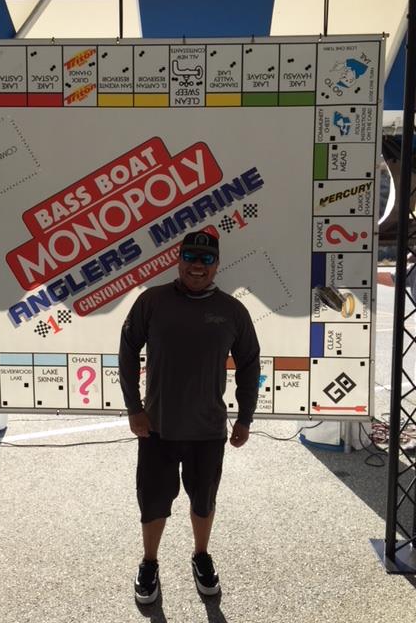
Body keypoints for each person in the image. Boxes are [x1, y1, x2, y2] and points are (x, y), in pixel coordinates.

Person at [118, 230, 260, 605]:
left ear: (217, 265)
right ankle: (149, 562)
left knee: (203, 501)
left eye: (206, 259)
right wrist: (134, 408)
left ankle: (201, 555)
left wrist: (245, 417)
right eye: (191, 258)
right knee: (153, 502)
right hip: (157, 428)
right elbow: (128, 352)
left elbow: (249, 364)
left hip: (208, 430)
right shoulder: (151, 301)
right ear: (178, 261)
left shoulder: (233, 311)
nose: (198, 266)